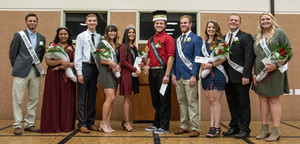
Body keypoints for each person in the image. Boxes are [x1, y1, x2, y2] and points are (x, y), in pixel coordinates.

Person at [252, 12, 292, 142]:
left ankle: (276, 130)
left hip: (275, 71)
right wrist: (253, 73)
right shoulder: (257, 36)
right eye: (262, 19)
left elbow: (288, 52)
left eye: (267, 19)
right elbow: (254, 57)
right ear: (260, 22)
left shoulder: (280, 33)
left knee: (274, 100)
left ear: (272, 20)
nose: (265, 21)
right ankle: (265, 129)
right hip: (260, 72)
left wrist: (275, 65)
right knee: (262, 100)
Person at [9, 13, 46, 135]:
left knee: (33, 98)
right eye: (30, 21)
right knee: (18, 98)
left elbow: (40, 55)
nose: (32, 23)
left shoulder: (41, 38)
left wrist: (36, 65)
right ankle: (18, 124)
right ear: (26, 22)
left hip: (34, 71)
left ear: (37, 22)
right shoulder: (19, 35)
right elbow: (12, 53)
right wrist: (18, 65)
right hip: (21, 71)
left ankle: (30, 123)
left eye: (34, 21)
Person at [223, 13, 254, 138]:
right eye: (231, 20)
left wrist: (246, 75)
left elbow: (249, 58)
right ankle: (234, 126)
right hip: (227, 77)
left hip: (241, 77)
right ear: (228, 22)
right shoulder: (224, 37)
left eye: (236, 20)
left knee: (243, 104)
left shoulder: (246, 37)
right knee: (232, 103)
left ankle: (244, 129)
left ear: (239, 23)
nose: (233, 22)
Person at [144, 10, 175, 134]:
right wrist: (146, 66)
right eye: (157, 23)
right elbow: (149, 56)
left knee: (164, 99)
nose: (159, 25)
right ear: (154, 25)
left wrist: (167, 74)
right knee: (155, 99)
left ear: (165, 25)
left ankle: (164, 126)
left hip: (163, 72)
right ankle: (156, 123)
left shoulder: (169, 38)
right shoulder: (150, 40)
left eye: (161, 23)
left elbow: (171, 57)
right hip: (152, 73)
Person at [40, 27, 76, 133]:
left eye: (65, 34)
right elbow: (48, 62)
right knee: (53, 99)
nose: (63, 36)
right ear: (58, 35)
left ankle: (65, 125)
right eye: (61, 34)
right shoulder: (53, 46)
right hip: (54, 75)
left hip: (67, 76)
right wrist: (60, 61)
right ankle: (52, 125)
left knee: (66, 99)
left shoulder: (73, 47)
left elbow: (76, 62)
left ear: (68, 35)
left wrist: (68, 64)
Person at [171, 15, 201, 137]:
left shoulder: (196, 39)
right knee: (181, 102)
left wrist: (194, 75)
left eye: (185, 23)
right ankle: (183, 125)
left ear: (190, 24)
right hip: (178, 76)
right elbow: (174, 59)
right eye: (181, 23)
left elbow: (197, 59)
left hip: (189, 76)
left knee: (192, 102)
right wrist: (173, 74)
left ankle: (195, 127)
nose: (183, 24)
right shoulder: (176, 40)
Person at [74, 14, 100, 133]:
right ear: (86, 22)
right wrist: (79, 73)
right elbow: (78, 55)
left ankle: (90, 122)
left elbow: (100, 56)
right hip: (84, 67)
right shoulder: (81, 36)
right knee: (82, 97)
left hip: (95, 68)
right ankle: (82, 123)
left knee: (92, 97)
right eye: (90, 21)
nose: (92, 23)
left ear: (97, 23)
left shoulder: (99, 37)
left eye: (94, 21)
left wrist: (100, 72)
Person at [201, 20, 227, 137]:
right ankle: (212, 126)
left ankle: (216, 128)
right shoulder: (204, 43)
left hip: (217, 73)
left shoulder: (221, 42)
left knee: (215, 102)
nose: (211, 29)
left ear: (216, 29)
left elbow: (223, 58)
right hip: (206, 74)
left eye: (213, 27)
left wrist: (211, 65)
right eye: (209, 27)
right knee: (211, 102)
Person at [97, 24, 121, 133]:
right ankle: (103, 123)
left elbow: (119, 59)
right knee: (110, 97)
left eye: (114, 31)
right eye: (110, 31)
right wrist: (110, 62)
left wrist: (118, 65)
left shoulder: (117, 45)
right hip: (106, 71)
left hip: (115, 72)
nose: (112, 33)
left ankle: (107, 123)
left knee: (112, 99)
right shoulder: (102, 43)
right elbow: (100, 60)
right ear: (106, 32)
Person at [119, 24, 142, 132]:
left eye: (133, 32)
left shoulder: (134, 47)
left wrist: (140, 66)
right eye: (129, 32)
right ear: (126, 34)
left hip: (133, 75)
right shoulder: (124, 46)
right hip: (127, 75)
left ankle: (125, 121)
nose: (132, 34)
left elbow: (134, 61)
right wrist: (134, 69)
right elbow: (122, 62)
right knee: (127, 99)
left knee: (130, 99)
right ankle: (127, 123)